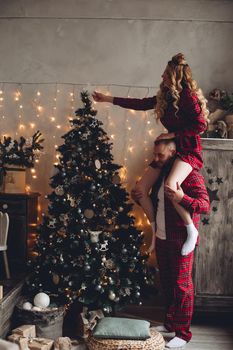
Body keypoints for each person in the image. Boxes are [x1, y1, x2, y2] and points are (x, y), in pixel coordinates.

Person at [92, 53, 209, 257]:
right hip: (168, 151)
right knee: (140, 190)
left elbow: (201, 125)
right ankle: (155, 232)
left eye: (165, 74)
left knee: (170, 186)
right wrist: (107, 99)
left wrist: (173, 134)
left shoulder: (188, 97)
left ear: (174, 77)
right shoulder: (165, 97)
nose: (162, 77)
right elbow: (140, 104)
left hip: (187, 151)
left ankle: (191, 230)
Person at [132, 138, 210, 348]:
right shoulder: (160, 176)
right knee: (167, 282)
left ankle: (183, 333)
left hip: (181, 238)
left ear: (174, 152)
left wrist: (183, 197)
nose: (155, 159)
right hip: (162, 236)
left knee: (182, 286)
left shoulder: (189, 175)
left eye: (160, 155)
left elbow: (204, 205)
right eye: (154, 154)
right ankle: (170, 324)